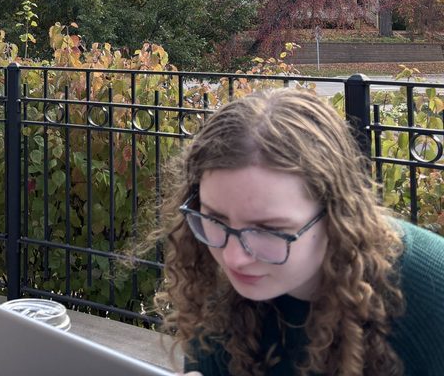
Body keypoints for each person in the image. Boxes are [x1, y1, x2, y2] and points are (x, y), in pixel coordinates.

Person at [153, 89, 444, 376]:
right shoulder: (218, 291)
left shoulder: (432, 294)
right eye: (215, 219)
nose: (233, 259)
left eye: (269, 230)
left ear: (337, 215)